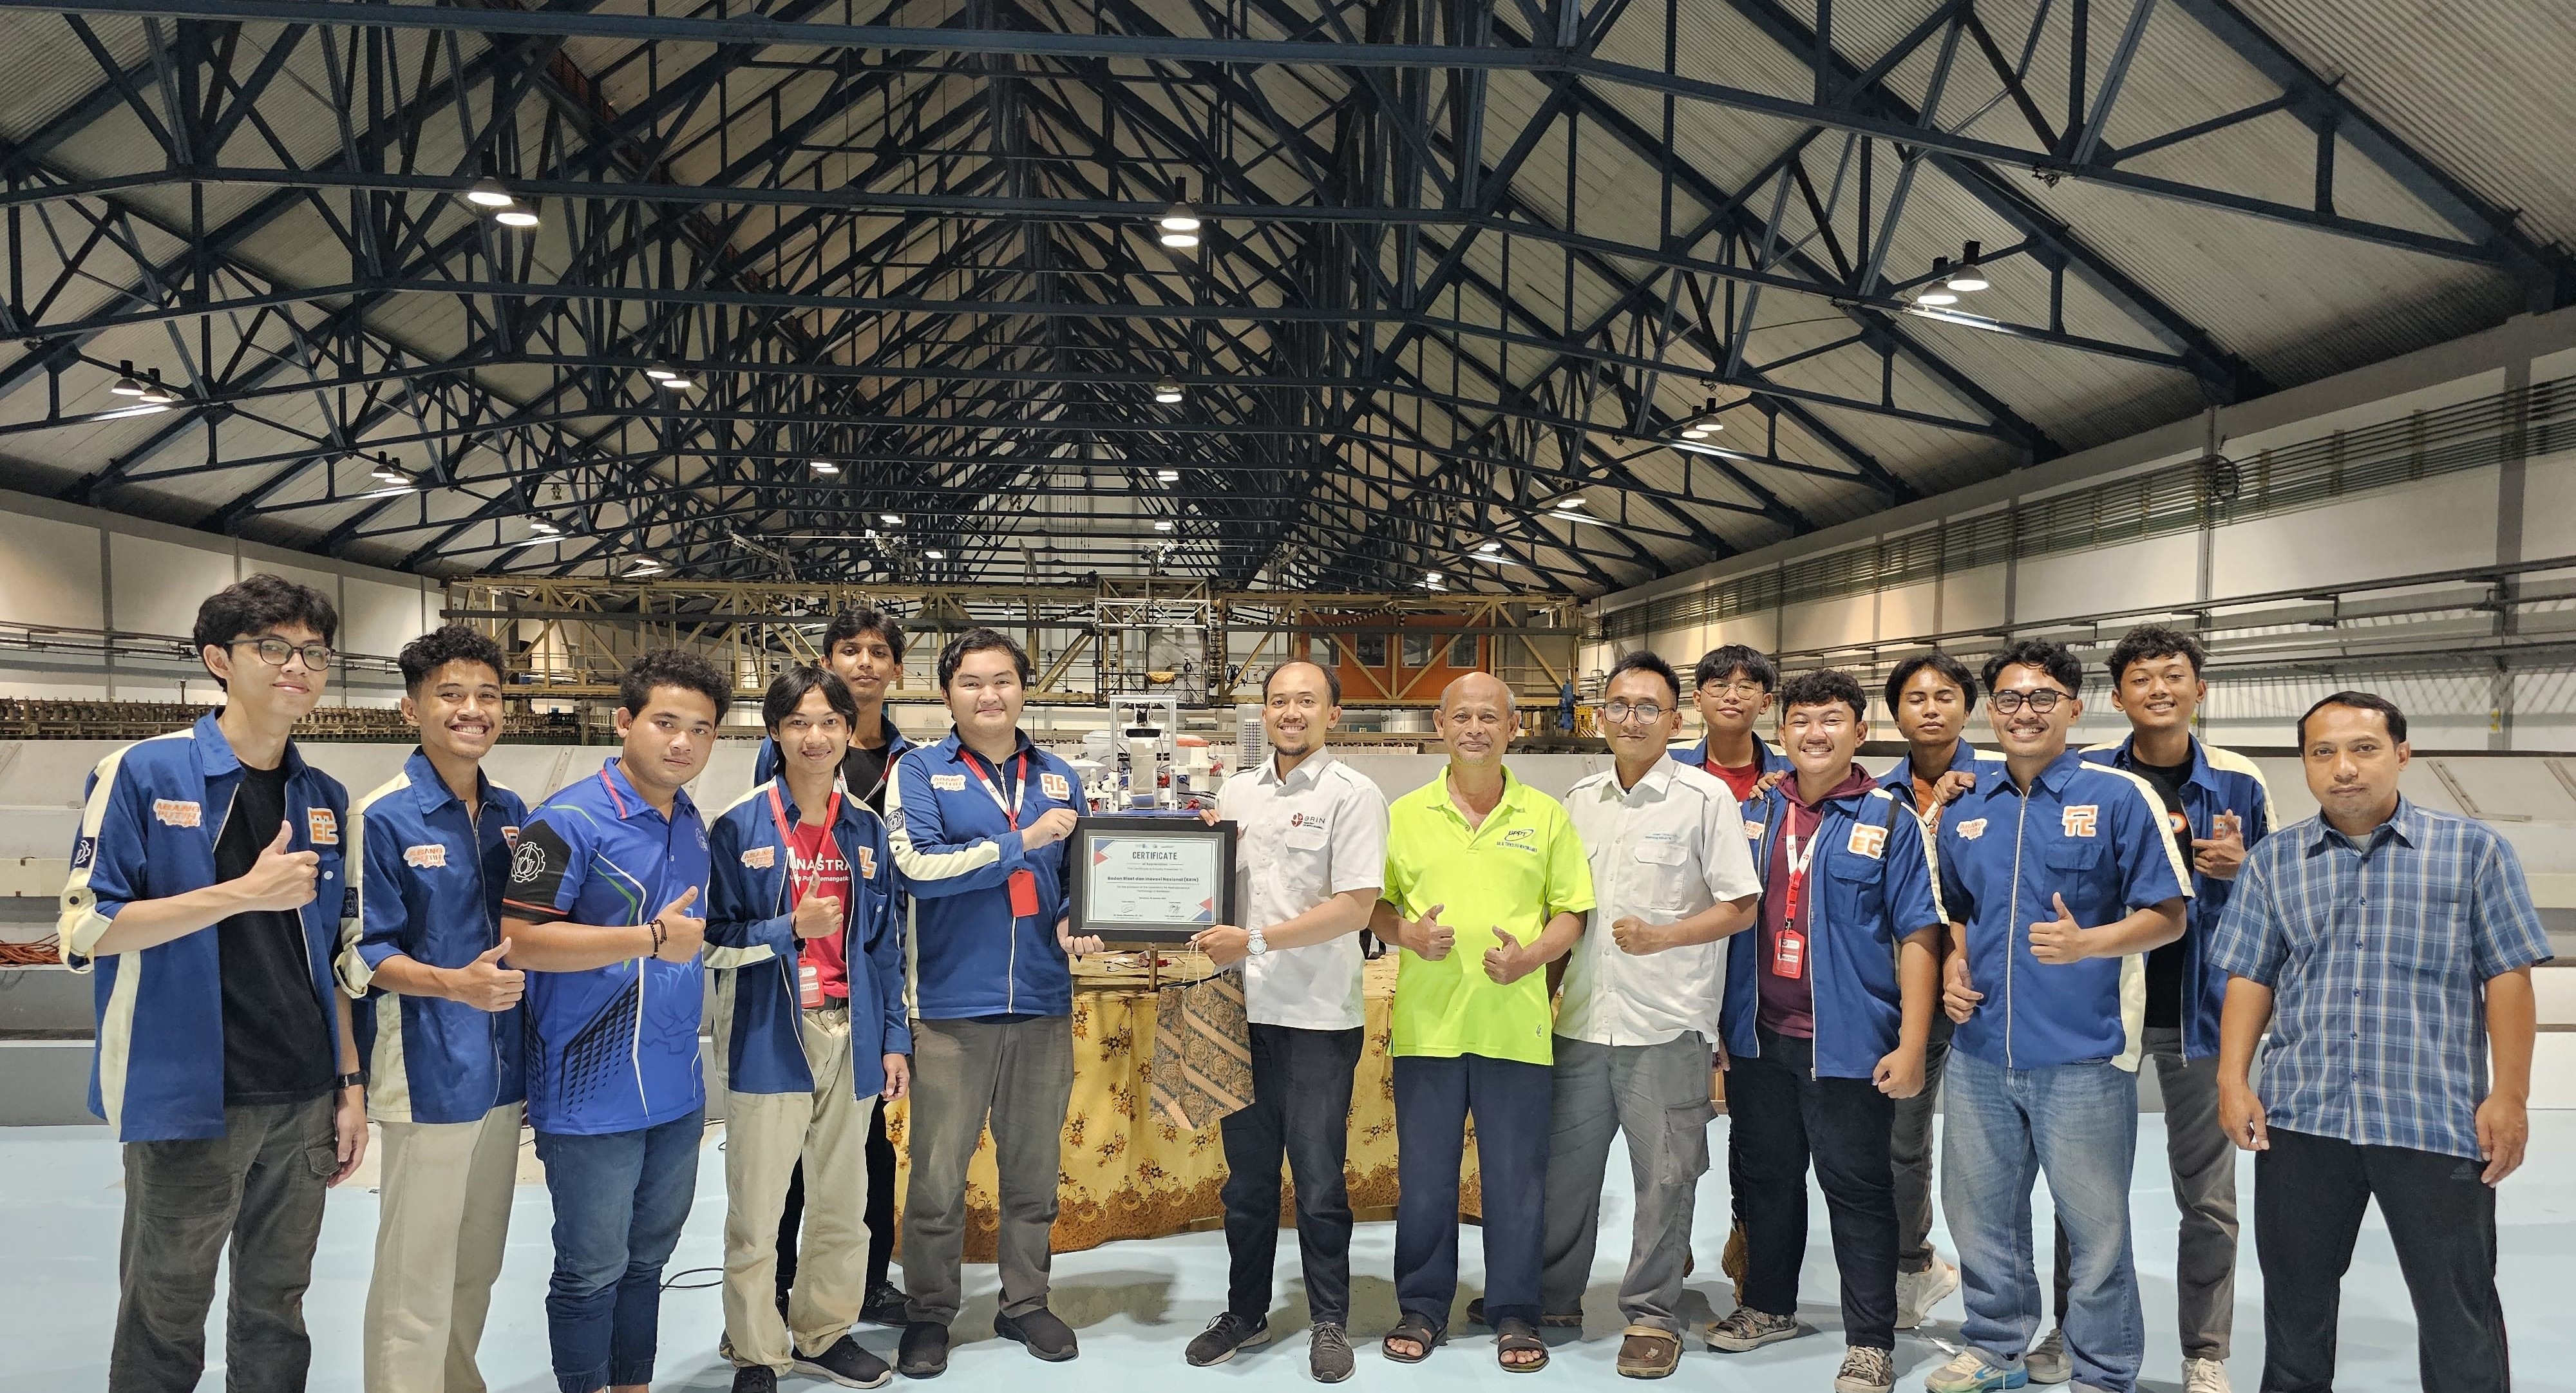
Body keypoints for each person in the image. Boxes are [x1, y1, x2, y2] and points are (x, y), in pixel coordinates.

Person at [59, 574, 365, 1393]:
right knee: (165, 1313)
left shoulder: (324, 797)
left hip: (301, 1097)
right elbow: (87, 930)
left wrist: (348, 1085)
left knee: (277, 1311)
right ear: (217, 661)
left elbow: (334, 958)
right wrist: (242, 893)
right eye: (273, 647)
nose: (296, 666)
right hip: (192, 1098)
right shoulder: (141, 772)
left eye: (313, 652)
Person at [2211, 692, 2547, 1393]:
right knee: (2295, 1314)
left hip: (2434, 1119)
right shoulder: (2274, 861)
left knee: (2458, 1314)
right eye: (2322, 752)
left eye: (2363, 749)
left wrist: (2508, 1097)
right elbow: (2250, 975)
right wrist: (2232, 1079)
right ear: (2304, 764)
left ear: (2401, 753)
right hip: (2302, 1118)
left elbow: (2508, 980)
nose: (2343, 768)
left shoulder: (2473, 852)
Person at [1926, 640, 2190, 1393]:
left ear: (2075, 708)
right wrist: (1953, 964)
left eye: (2042, 698)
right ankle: (1995, 1348)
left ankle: (2103, 1370)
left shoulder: (2117, 797)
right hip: (1980, 1052)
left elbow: (2168, 916)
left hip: (2084, 1056)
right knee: (1981, 1218)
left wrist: (2089, 943)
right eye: (2008, 699)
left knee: (2097, 1232)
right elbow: (1957, 912)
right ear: (1990, 712)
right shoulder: (1966, 806)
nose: (2025, 712)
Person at [2027, 626, 2271, 1393]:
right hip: (2104, 1015)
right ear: (2116, 696)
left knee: (2207, 1199)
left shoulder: (2239, 783)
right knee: (2083, 1192)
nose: (2158, 689)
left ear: (2200, 690)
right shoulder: (2088, 774)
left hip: (2203, 1018)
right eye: (2141, 678)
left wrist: (2247, 866)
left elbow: (2279, 898)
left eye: (2173, 676)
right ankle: (2073, 1332)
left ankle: (2205, 1352)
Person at [1709, 668, 1946, 1393]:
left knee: (1857, 1188)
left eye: (1832, 719)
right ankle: (1768, 1305)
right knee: (1767, 1179)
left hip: (1845, 1043)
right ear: (1781, 733)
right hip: (1757, 1037)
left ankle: (1870, 1339)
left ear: (1859, 730)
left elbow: (1917, 935)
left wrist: (1910, 1042)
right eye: (1802, 720)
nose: (1816, 733)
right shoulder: (1749, 814)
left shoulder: (1889, 819)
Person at [500, 648, 728, 1393]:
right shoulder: (563, 821)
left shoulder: (691, 821)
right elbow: (522, 940)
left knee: (648, 1260)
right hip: (588, 1094)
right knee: (590, 1269)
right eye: (665, 722)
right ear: (624, 721)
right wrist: (650, 939)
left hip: (676, 1091)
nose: (682, 743)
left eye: (701, 728)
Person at [885, 629, 1102, 1376]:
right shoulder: (918, 771)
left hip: (1042, 1000)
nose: (989, 695)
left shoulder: (1058, 775)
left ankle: (1025, 1303)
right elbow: (917, 868)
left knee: (1033, 1170)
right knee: (939, 1177)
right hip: (950, 1006)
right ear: (947, 694)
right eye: (972, 682)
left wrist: (1077, 918)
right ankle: (929, 1313)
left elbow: (1078, 878)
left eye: (1003, 680)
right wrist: (1022, 841)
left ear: (1022, 687)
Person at [1540, 651, 1759, 1378]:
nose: (1630, 719)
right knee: (1565, 1173)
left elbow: (1740, 904)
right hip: (1580, 1024)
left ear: (1674, 719)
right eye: (1618, 706)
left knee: (1666, 1177)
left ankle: (1651, 1314)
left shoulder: (1703, 800)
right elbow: (1566, 912)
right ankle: (1554, 1296)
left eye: (1647, 708)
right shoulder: (1578, 801)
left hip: (1665, 1026)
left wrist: (1664, 936)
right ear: (1599, 717)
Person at [1370, 672, 1596, 1372]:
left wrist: (1531, 957)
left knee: (1514, 1181)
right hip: (1428, 1030)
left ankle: (1515, 1311)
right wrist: (1407, 935)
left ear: (1512, 727)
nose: (1475, 728)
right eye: (1461, 716)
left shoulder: (1546, 815)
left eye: (1488, 717)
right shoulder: (1404, 814)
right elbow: (1372, 905)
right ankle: (1423, 1304)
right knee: (1428, 1181)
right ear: (1438, 725)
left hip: (1514, 1029)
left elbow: (1572, 911)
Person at [1182, 659, 1390, 1383]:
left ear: (1334, 714)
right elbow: (1217, 890)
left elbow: (1356, 906)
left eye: (1306, 701)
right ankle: (1244, 1312)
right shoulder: (1237, 791)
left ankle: (1329, 1319)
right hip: (1240, 1011)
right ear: (1263, 712)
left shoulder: (1353, 796)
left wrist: (1259, 941)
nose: (1290, 712)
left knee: (1319, 1179)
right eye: (1278, 701)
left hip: (1313, 1019)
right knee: (1245, 1183)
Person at [341, 624, 532, 1393]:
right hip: (424, 1071)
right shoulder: (381, 816)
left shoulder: (513, 812)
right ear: (410, 708)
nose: (472, 710)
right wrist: (454, 984)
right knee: (415, 1270)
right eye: (450, 695)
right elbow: (361, 954)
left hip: (501, 1073)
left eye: (487, 696)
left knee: (476, 1262)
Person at [709, 666, 909, 1393]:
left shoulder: (867, 828)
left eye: (830, 722)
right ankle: (756, 1346)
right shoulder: (737, 825)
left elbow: (885, 947)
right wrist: (785, 929)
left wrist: (893, 1040)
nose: (816, 736)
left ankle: (824, 1331)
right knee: (758, 1209)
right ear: (774, 732)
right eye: (798, 722)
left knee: (842, 1202)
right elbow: (708, 940)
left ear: (847, 732)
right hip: (770, 1033)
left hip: (851, 1035)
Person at [752, 607, 915, 1329]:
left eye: (879, 652)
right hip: (797, 975)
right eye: (849, 650)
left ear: (896, 670)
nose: (865, 662)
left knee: (867, 1150)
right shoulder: (785, 759)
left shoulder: (912, 763)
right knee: (783, 1160)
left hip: (872, 967)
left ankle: (867, 1284)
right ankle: (777, 1290)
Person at [1875, 652, 1998, 1332]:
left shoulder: (1998, 786)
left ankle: (1978, 1294)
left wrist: (1962, 960)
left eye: (1945, 695)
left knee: (1969, 1145)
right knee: (1898, 1135)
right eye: (1915, 698)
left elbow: (1997, 893)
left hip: (1970, 990)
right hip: (1888, 991)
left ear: (1967, 708)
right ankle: (1907, 1263)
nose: (1929, 708)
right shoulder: (1872, 791)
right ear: (1895, 713)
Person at [1682, 644, 1791, 801]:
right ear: (1698, 700)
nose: (1732, 696)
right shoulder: (1669, 761)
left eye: (1745, 687)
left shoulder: (1791, 769)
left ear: (1765, 703)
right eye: (1720, 685)